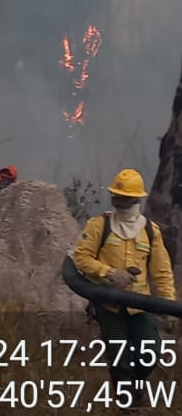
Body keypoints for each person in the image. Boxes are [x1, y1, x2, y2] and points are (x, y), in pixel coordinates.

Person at [71, 168, 175, 409]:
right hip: (109, 306)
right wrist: (108, 273)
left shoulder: (150, 231)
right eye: (117, 197)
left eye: (125, 198)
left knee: (151, 352)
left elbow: (162, 272)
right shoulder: (99, 226)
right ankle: (126, 402)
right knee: (120, 356)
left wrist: (168, 307)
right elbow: (81, 258)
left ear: (136, 200)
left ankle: (136, 387)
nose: (120, 202)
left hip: (140, 306)